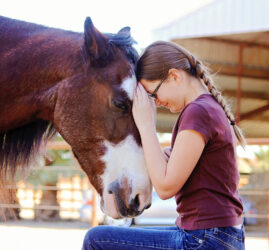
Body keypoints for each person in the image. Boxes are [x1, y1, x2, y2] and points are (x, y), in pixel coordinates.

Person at [82, 41, 246, 250]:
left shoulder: (199, 112)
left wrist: (146, 124)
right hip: (216, 235)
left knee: (97, 240)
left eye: (153, 94)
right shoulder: (206, 108)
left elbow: (166, 187)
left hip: (206, 239)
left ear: (174, 76)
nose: (156, 103)